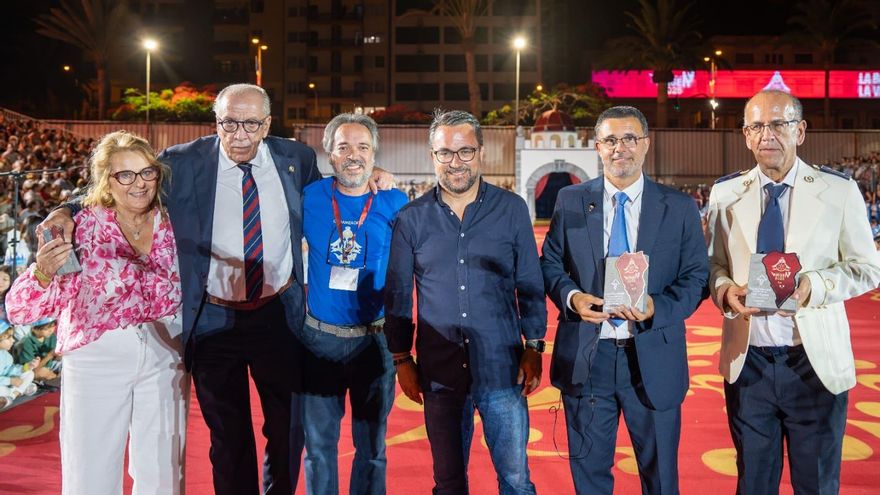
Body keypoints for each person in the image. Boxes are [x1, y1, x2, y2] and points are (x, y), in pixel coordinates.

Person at [41, 83, 392, 495]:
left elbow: (335, 189)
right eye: (228, 122)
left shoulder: (295, 158)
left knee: (287, 429)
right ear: (216, 121)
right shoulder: (183, 161)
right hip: (212, 318)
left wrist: (377, 174)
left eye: (249, 123)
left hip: (279, 315)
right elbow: (123, 189)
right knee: (228, 436)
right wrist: (66, 208)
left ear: (266, 124)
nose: (239, 133)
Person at [707, 90, 880, 495]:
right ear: (746, 136)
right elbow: (713, 265)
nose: (768, 135)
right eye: (756, 126)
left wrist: (813, 286)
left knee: (817, 484)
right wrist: (725, 290)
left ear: (800, 131)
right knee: (753, 482)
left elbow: (868, 267)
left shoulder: (837, 191)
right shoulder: (725, 194)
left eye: (779, 124)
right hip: (748, 364)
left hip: (813, 363)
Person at [5, 130, 187, 494]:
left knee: (164, 472)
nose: (139, 183)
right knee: (91, 472)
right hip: (96, 356)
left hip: (168, 355)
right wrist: (42, 271)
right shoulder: (80, 227)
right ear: (107, 179)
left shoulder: (176, 220)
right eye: (125, 175)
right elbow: (21, 310)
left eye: (146, 172)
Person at [541, 105, 708, 495]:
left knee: (661, 479)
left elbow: (696, 277)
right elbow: (550, 264)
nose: (621, 148)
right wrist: (573, 297)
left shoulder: (678, 207)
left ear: (646, 144)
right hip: (588, 358)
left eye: (630, 138)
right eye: (611, 140)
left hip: (652, 358)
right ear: (597, 146)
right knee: (590, 477)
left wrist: (657, 307)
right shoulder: (570, 200)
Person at [385, 109, 547, 495]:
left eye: (465, 152)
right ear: (432, 155)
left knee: (516, 480)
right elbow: (397, 294)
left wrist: (535, 345)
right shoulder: (411, 219)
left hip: (502, 370)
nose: (455, 162)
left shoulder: (511, 210)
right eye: (445, 153)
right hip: (439, 375)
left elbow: (529, 282)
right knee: (448, 482)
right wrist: (401, 359)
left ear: (481, 152)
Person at [300, 113, 407, 494]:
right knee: (318, 450)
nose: (353, 155)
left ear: (374, 153)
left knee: (372, 449)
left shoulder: (396, 202)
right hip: (318, 341)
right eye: (343, 146)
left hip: (373, 342)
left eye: (363, 147)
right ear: (329, 153)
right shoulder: (310, 196)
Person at [0, 322, 39, 410]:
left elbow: (10, 370)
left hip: (7, 382)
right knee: (2, 390)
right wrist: (10, 381)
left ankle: (11, 395)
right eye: (9, 338)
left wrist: (26, 367)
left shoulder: (6, 355)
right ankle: (17, 392)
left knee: (30, 373)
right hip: (3, 384)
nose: (13, 340)